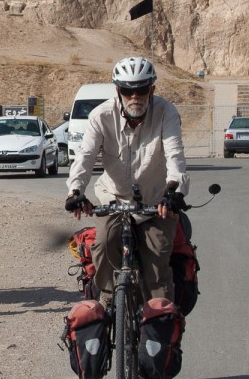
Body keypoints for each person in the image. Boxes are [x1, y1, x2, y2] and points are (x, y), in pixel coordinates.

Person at [64, 56, 190, 308]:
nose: (135, 96)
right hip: (114, 199)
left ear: (152, 89)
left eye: (141, 89)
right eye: (127, 90)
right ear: (117, 90)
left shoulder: (166, 113)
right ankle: (110, 300)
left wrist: (174, 190)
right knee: (104, 244)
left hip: (155, 203)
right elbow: (85, 157)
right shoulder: (101, 116)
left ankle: (160, 332)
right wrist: (75, 191)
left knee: (157, 262)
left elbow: (175, 155)